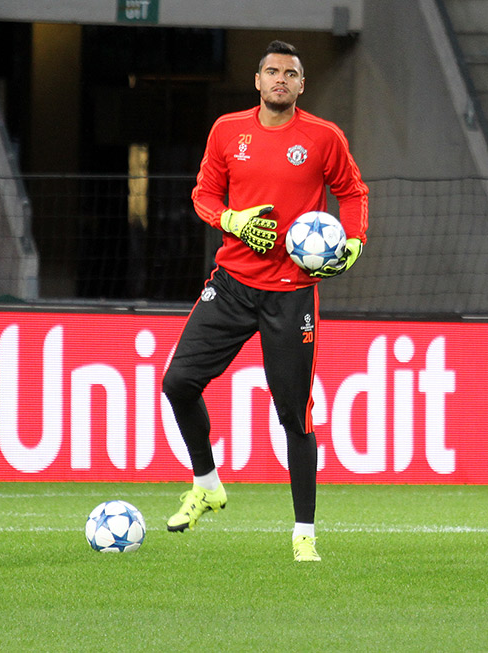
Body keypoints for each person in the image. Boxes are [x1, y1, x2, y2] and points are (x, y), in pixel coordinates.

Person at [162, 40, 369, 563]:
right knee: (178, 382)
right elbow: (203, 193)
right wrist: (229, 219)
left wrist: (353, 241)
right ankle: (207, 484)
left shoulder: (324, 138)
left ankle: (304, 533)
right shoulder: (228, 131)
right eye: (271, 71)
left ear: (302, 85)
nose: (280, 79)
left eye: (290, 73)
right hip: (232, 284)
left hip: (292, 294)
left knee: (294, 416)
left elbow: (354, 193)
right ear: (257, 80)